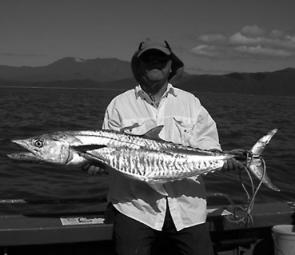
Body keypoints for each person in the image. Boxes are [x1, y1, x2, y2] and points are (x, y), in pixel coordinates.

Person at [86, 39, 243, 255]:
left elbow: (208, 144)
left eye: (161, 59)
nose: (155, 63)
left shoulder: (191, 102)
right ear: (139, 66)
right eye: (148, 59)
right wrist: (97, 164)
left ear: (171, 66)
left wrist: (223, 160)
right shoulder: (119, 105)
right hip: (136, 209)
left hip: (188, 209)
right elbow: (110, 155)